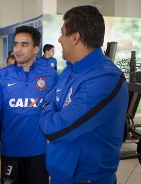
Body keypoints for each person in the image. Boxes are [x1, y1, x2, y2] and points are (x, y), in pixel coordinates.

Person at [39, 5, 128, 183]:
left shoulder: (105, 78)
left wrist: (47, 110)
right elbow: (49, 101)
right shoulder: (69, 70)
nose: (59, 39)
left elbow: (55, 130)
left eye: (62, 33)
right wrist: (50, 108)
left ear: (75, 37)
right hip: (59, 177)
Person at [0, 25, 59, 184]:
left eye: (24, 45)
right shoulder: (2, 76)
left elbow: (58, 112)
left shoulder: (50, 75)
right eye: (16, 44)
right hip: (11, 151)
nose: (18, 49)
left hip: (39, 152)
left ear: (35, 49)